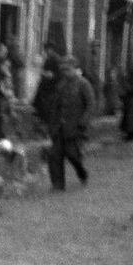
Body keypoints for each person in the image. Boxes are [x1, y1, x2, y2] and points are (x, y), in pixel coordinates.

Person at [46, 56, 94, 192]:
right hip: (59, 127)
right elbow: (55, 107)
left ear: (75, 68)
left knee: (73, 155)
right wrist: (52, 125)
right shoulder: (61, 85)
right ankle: (58, 185)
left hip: (75, 127)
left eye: (68, 69)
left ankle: (82, 173)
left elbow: (90, 105)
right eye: (63, 70)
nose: (65, 73)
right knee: (54, 155)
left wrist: (83, 122)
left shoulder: (83, 84)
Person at [31, 42, 61, 126]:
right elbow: (45, 70)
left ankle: (45, 123)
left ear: (51, 49)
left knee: (47, 106)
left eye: (47, 50)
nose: (46, 52)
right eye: (46, 50)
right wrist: (43, 73)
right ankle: (41, 121)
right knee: (40, 103)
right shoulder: (48, 59)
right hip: (45, 85)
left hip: (51, 87)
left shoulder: (56, 59)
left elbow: (59, 74)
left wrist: (52, 75)